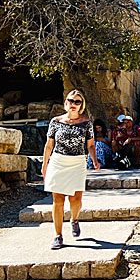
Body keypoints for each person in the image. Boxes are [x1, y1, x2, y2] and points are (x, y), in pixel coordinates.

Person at [42, 89, 99, 250]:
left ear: (81, 106)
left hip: (77, 163)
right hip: (58, 162)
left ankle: (74, 219)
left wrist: (94, 160)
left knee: (75, 200)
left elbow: (90, 145)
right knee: (58, 201)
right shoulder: (55, 121)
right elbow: (49, 145)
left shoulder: (86, 122)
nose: (73, 104)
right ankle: (58, 235)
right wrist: (44, 164)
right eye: (71, 101)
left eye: (77, 102)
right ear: (66, 103)